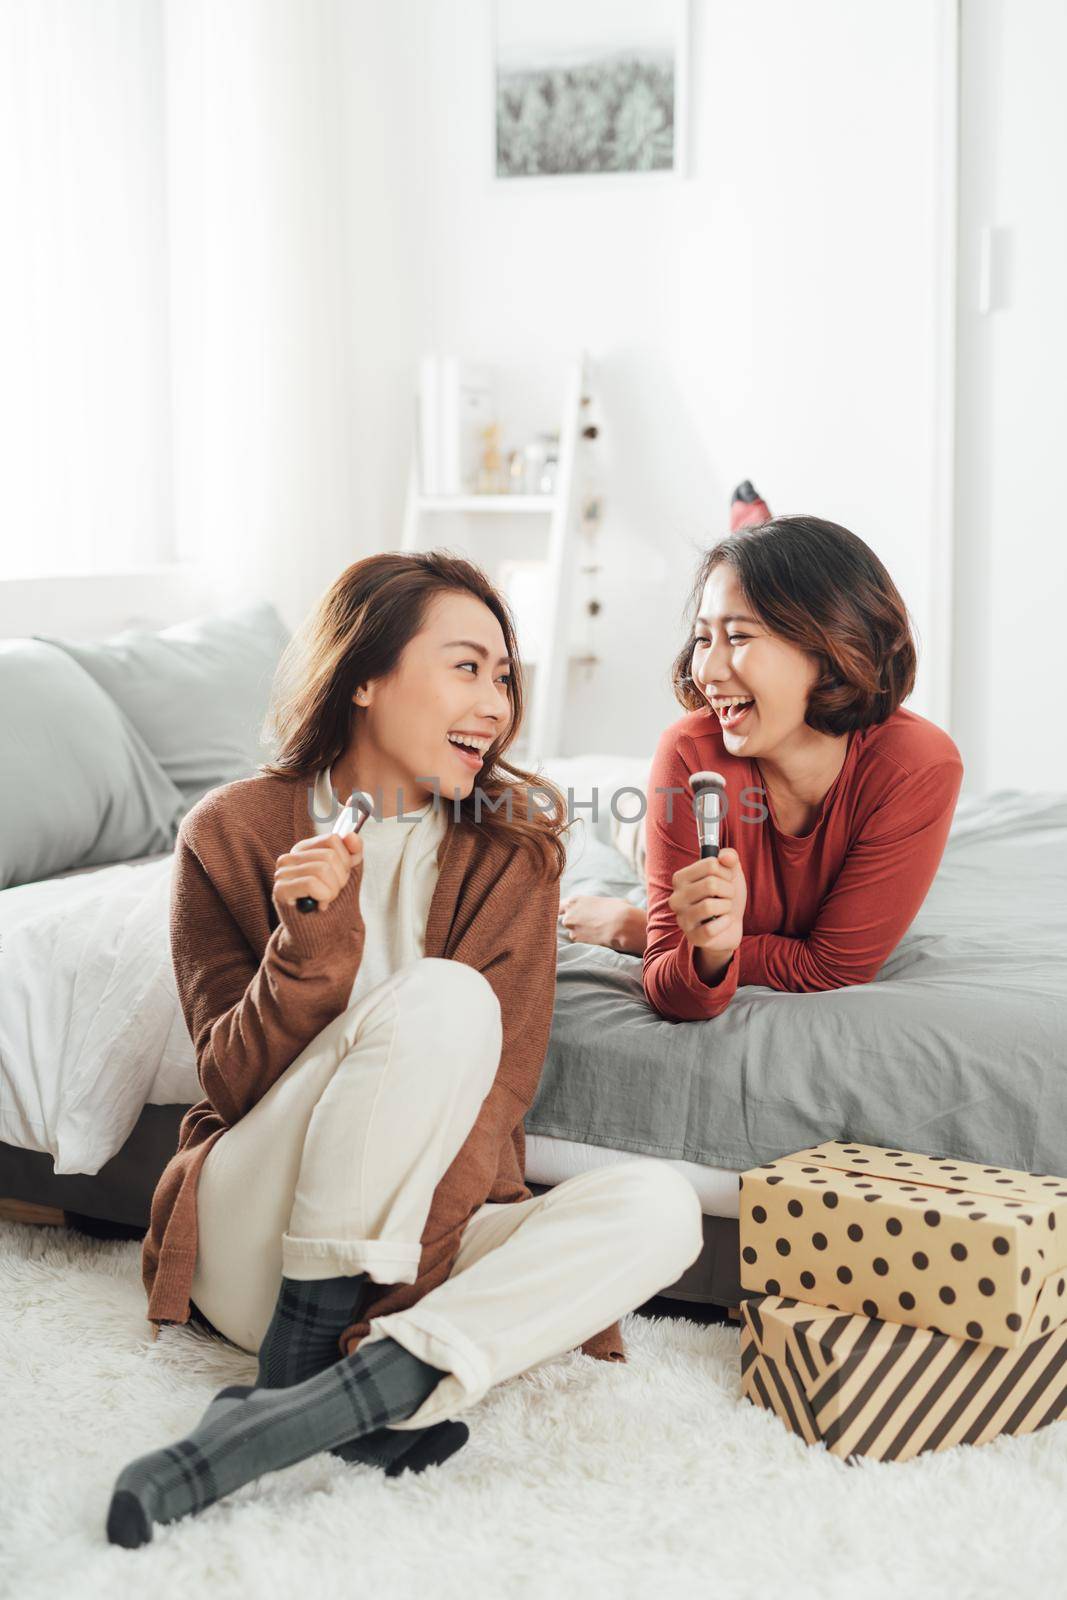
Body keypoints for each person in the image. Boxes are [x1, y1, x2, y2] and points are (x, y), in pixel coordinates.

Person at [108, 551, 704, 1547]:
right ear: (365, 676)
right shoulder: (232, 831)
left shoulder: (516, 848)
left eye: (505, 676)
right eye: (466, 667)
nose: (496, 705)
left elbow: (497, 1097)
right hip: (260, 1234)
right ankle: (312, 1359)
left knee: (662, 1208)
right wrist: (308, 946)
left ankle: (313, 1404)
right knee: (441, 997)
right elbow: (231, 1080)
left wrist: (409, 1279)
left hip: (418, 1249)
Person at [558, 516, 964, 1023]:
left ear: (828, 645)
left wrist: (637, 929)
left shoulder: (918, 767)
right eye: (703, 639)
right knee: (623, 815)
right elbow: (672, 982)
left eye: (739, 636)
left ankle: (752, 524)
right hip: (672, 803)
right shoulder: (688, 754)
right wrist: (707, 953)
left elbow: (831, 968)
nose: (704, 672)